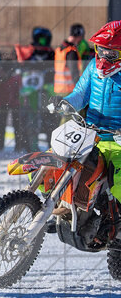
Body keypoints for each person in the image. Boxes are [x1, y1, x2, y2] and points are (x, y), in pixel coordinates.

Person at [60, 21, 121, 225]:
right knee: (57, 161)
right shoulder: (93, 67)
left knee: (118, 183)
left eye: (110, 53)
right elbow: (80, 94)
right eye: (100, 50)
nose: (103, 57)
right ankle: (50, 205)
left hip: (117, 140)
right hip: (90, 135)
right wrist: (66, 102)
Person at [54, 24, 89, 96]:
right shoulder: (71, 51)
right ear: (78, 36)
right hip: (69, 90)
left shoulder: (60, 49)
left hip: (59, 89)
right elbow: (74, 72)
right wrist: (81, 87)